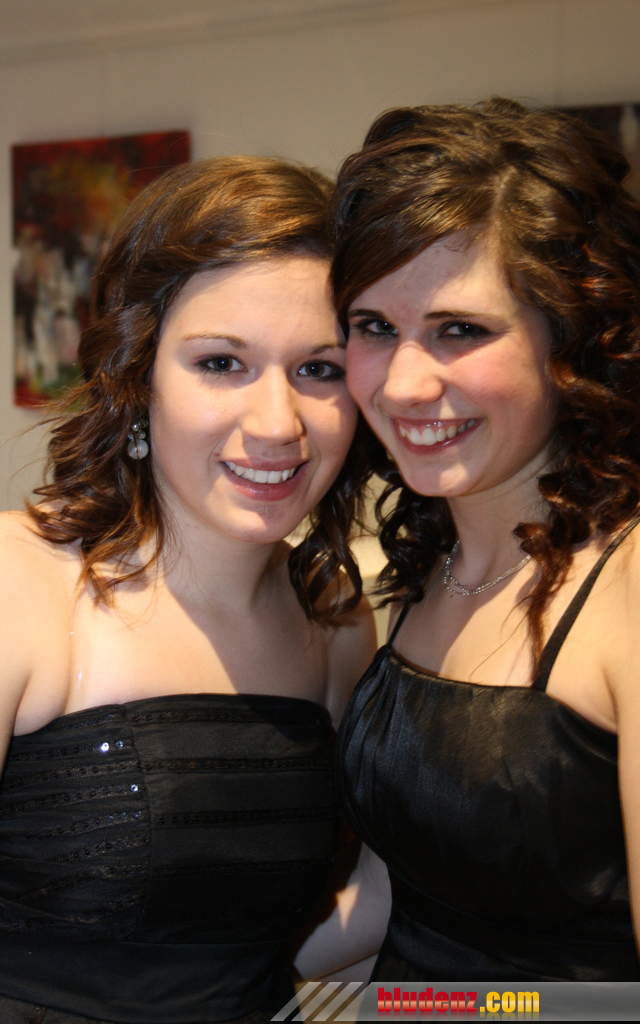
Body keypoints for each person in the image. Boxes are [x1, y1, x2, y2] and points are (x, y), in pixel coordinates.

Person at [297, 98, 640, 993]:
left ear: (568, 337)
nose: (403, 383)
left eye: (459, 330)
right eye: (373, 327)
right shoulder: (435, 559)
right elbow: (402, 894)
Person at [0, 156, 376, 1024]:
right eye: (221, 362)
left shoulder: (333, 620)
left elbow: (269, 951)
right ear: (138, 379)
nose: (277, 424)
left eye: (319, 370)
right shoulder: (21, 584)